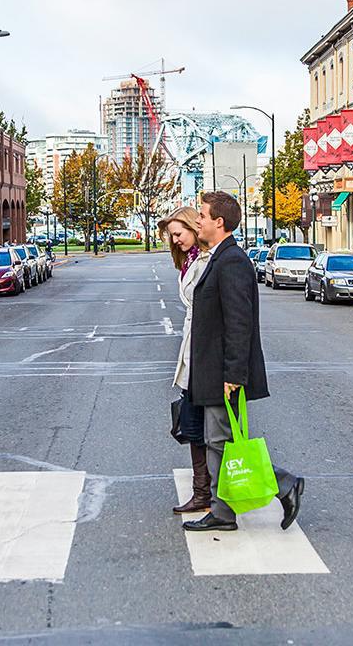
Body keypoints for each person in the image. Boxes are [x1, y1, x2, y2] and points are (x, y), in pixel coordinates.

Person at [182, 191, 304, 533]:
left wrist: (233, 373)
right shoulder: (221, 258)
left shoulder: (232, 261)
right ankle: (224, 510)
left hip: (223, 372)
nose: (199, 221)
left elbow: (239, 321)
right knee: (220, 442)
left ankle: (283, 485)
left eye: (203, 216)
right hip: (213, 370)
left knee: (221, 440)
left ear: (219, 222)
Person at [159, 206, 211, 513]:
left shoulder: (205, 262)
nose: (176, 240)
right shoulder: (191, 261)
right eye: (172, 236)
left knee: (207, 431)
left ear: (194, 227)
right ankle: (202, 492)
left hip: (203, 356)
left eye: (179, 233)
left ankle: (281, 484)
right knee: (195, 428)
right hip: (194, 355)